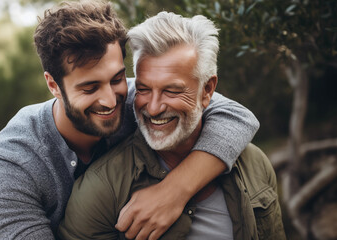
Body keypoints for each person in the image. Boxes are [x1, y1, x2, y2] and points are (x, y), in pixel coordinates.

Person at [0, 1, 260, 239]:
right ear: (53, 85)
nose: (110, 101)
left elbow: (237, 116)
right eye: (89, 88)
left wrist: (174, 191)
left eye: (117, 79)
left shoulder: (140, 100)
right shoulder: (11, 163)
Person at [58, 11, 285, 240]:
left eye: (172, 91)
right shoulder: (100, 190)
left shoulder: (254, 164)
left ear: (207, 91)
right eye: (143, 89)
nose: (154, 108)